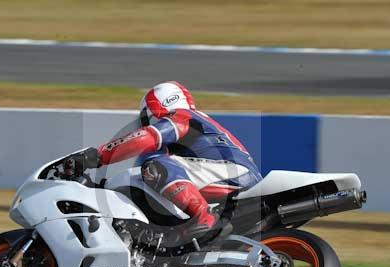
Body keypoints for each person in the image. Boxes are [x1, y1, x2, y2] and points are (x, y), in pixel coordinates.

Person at [67, 81, 262, 239]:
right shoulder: (198, 123)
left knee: (155, 166)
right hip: (234, 175)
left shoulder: (182, 116)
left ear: (157, 106)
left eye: (146, 115)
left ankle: (204, 217)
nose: (145, 121)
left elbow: (147, 137)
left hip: (234, 174)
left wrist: (99, 155)